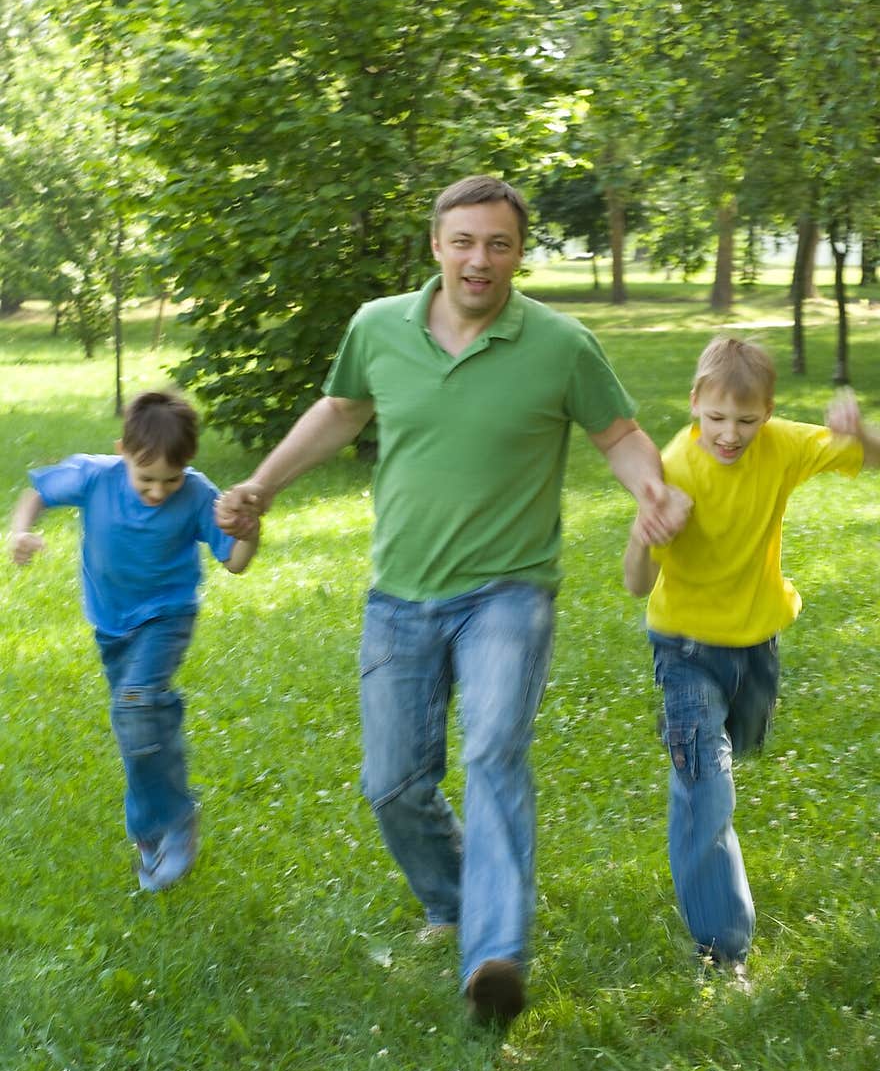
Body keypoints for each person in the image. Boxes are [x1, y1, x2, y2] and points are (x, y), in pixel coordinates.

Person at [217, 174, 691, 1027]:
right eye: (464, 241)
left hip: (509, 591)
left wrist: (650, 489)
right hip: (400, 591)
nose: (480, 259)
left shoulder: (561, 343)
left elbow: (617, 432)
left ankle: (495, 951)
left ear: (518, 252)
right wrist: (262, 483)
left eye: (499, 243)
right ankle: (452, 897)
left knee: (494, 753)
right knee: (393, 782)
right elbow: (340, 409)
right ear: (435, 245)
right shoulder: (378, 328)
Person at [623, 337, 877, 987]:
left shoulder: (783, 444)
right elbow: (634, 581)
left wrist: (863, 433)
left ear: (768, 413)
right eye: (715, 419)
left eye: (746, 420)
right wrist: (645, 532)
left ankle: (703, 755)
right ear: (694, 405)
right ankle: (722, 947)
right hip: (683, 647)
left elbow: (867, 455)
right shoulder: (674, 466)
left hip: (756, 646)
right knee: (705, 786)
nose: (729, 434)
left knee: (739, 747)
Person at [8, 389, 260, 893]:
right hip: (110, 622)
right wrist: (19, 532)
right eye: (146, 479)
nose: (158, 491)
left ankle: (175, 820)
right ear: (122, 450)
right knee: (138, 724)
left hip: (166, 616)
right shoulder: (95, 476)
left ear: (187, 467)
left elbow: (234, 561)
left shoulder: (195, 493)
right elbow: (38, 491)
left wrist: (250, 529)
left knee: (134, 704)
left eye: (171, 480)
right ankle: (151, 829)